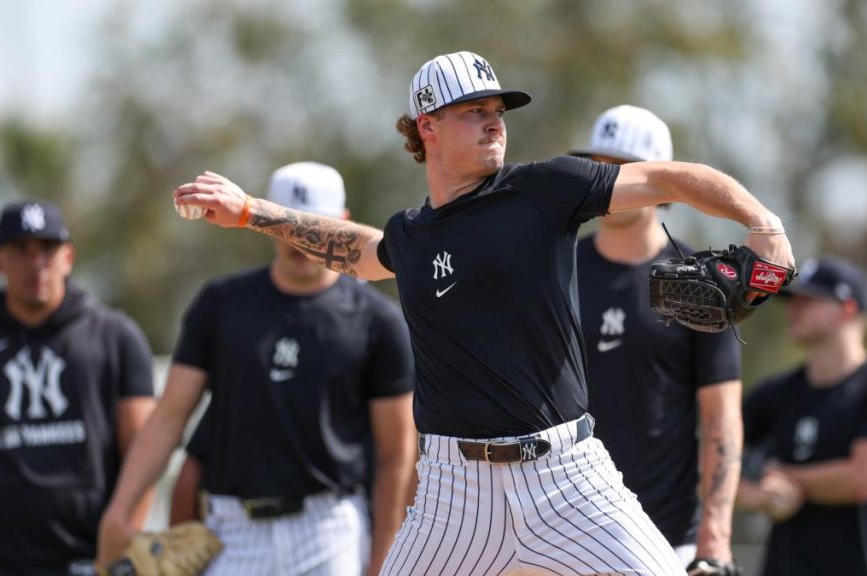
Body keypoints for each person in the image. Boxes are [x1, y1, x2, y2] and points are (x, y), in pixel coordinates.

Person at [171, 50, 795, 576]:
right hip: (451, 492)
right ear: (428, 125)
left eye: (498, 112)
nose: (494, 123)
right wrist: (252, 211)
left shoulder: (544, 189)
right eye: (474, 112)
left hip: (566, 477)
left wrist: (762, 224)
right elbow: (362, 253)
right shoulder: (412, 235)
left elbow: (675, 178)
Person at [98, 162, 417, 576]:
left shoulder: (379, 322)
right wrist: (118, 512)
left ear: (341, 225)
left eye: (313, 225)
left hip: (329, 527)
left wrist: (385, 559)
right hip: (231, 531)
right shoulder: (220, 304)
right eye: (286, 223)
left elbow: (397, 455)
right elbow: (169, 419)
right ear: (266, 222)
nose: (300, 243)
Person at [0, 200, 156, 576]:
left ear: (68, 256)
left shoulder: (116, 338)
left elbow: (144, 454)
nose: (36, 263)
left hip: (88, 561)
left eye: (47, 249)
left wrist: (123, 548)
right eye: (20, 250)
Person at [570, 105, 743, 569]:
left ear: (662, 182)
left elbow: (722, 418)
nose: (605, 183)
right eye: (596, 168)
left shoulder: (701, 284)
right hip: (567, 538)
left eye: (621, 170)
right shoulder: (557, 271)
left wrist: (716, 537)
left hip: (668, 539)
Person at [737, 257, 867, 576]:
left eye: (808, 301)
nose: (792, 310)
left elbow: (865, 477)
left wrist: (785, 476)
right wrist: (758, 495)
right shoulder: (774, 394)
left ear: (846, 309)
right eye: (792, 301)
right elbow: (712, 465)